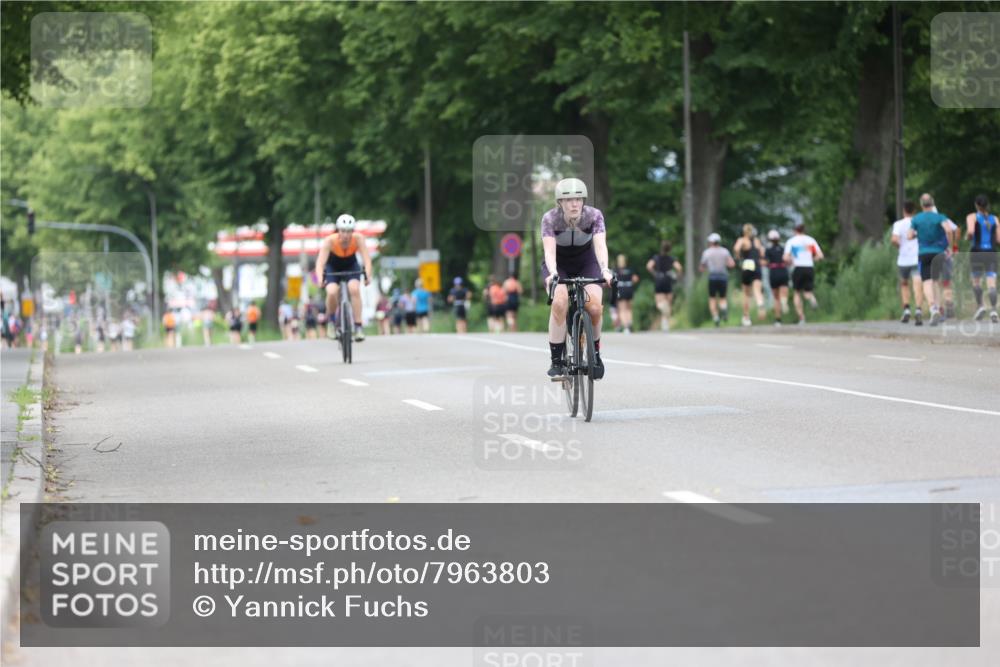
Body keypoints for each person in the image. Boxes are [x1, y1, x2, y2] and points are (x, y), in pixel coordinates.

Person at [541, 177, 613, 380]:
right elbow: (549, 251)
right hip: (559, 264)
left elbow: (600, 245)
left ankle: (595, 355)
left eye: (578, 199)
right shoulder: (550, 219)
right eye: (569, 200)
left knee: (595, 307)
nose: (574, 204)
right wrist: (553, 273)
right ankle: (557, 360)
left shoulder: (594, 216)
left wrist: (605, 269)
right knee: (559, 302)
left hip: (586, 261)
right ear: (560, 202)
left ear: (583, 201)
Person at [314, 214, 373, 342]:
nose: (346, 235)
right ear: (338, 230)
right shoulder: (330, 241)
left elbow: (367, 260)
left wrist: (368, 276)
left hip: (351, 265)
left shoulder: (358, 239)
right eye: (343, 231)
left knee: (354, 288)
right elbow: (320, 263)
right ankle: (331, 321)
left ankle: (358, 327)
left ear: (353, 231)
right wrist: (320, 278)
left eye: (349, 231)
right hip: (333, 266)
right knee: (332, 291)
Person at [908, 193, 952, 326]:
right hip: (938, 252)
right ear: (932, 203)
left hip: (924, 253)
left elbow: (909, 236)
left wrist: (917, 234)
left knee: (927, 281)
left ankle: (933, 308)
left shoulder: (916, 219)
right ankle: (938, 308)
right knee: (936, 281)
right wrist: (949, 246)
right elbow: (949, 230)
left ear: (921, 204)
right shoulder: (940, 217)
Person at [966, 194, 999, 322]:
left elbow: (970, 232)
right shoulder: (994, 219)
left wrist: (967, 237)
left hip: (977, 252)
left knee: (976, 281)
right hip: (991, 252)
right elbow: (999, 239)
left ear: (976, 205)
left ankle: (980, 306)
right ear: (987, 205)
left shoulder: (972, 217)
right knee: (991, 283)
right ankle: (994, 310)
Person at [783, 222, 824, 324]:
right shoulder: (811, 240)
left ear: (794, 230)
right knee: (807, 292)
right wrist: (812, 259)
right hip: (809, 267)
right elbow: (820, 256)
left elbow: (785, 257)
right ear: (804, 230)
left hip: (798, 267)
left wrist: (791, 260)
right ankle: (812, 300)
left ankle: (801, 318)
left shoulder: (791, 241)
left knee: (797, 293)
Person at [891, 200, 924, 325]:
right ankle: (918, 310)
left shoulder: (898, 224)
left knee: (904, 284)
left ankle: (906, 309)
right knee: (917, 284)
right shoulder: (918, 223)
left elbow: (894, 239)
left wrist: (900, 246)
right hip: (917, 257)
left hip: (903, 259)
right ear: (914, 211)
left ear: (904, 210)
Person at [733, 224, 767, 326]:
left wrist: (738, 257)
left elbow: (736, 248)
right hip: (757, 265)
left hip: (747, 264)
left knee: (746, 293)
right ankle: (760, 303)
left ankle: (746, 317)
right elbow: (762, 252)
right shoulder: (757, 241)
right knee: (757, 290)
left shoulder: (742, 240)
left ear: (744, 231)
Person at [700, 233, 736, 327]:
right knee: (722, 297)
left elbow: (702, 267)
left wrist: (705, 268)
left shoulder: (707, 252)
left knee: (712, 298)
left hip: (712, 277)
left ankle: (715, 317)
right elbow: (731, 264)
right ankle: (723, 308)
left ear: (711, 242)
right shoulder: (725, 251)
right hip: (723, 277)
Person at [646, 242, 683, 332]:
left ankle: (664, 321)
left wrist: (654, 273)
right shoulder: (671, 258)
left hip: (659, 280)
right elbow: (679, 267)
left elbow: (649, 266)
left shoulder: (656, 258)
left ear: (661, 248)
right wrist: (677, 276)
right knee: (668, 303)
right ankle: (665, 323)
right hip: (668, 280)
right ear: (669, 249)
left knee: (660, 304)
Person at [764, 230, 790, 326]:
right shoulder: (783, 248)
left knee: (776, 298)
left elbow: (765, 262)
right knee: (784, 292)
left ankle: (778, 319)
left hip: (773, 272)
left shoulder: (768, 250)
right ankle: (784, 301)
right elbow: (788, 260)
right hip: (783, 270)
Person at [612, 254, 639, 333]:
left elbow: (612, 281)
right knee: (629, 309)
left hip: (621, 289)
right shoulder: (629, 269)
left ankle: (626, 327)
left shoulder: (615, 270)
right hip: (629, 289)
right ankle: (629, 323)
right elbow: (635, 279)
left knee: (622, 309)